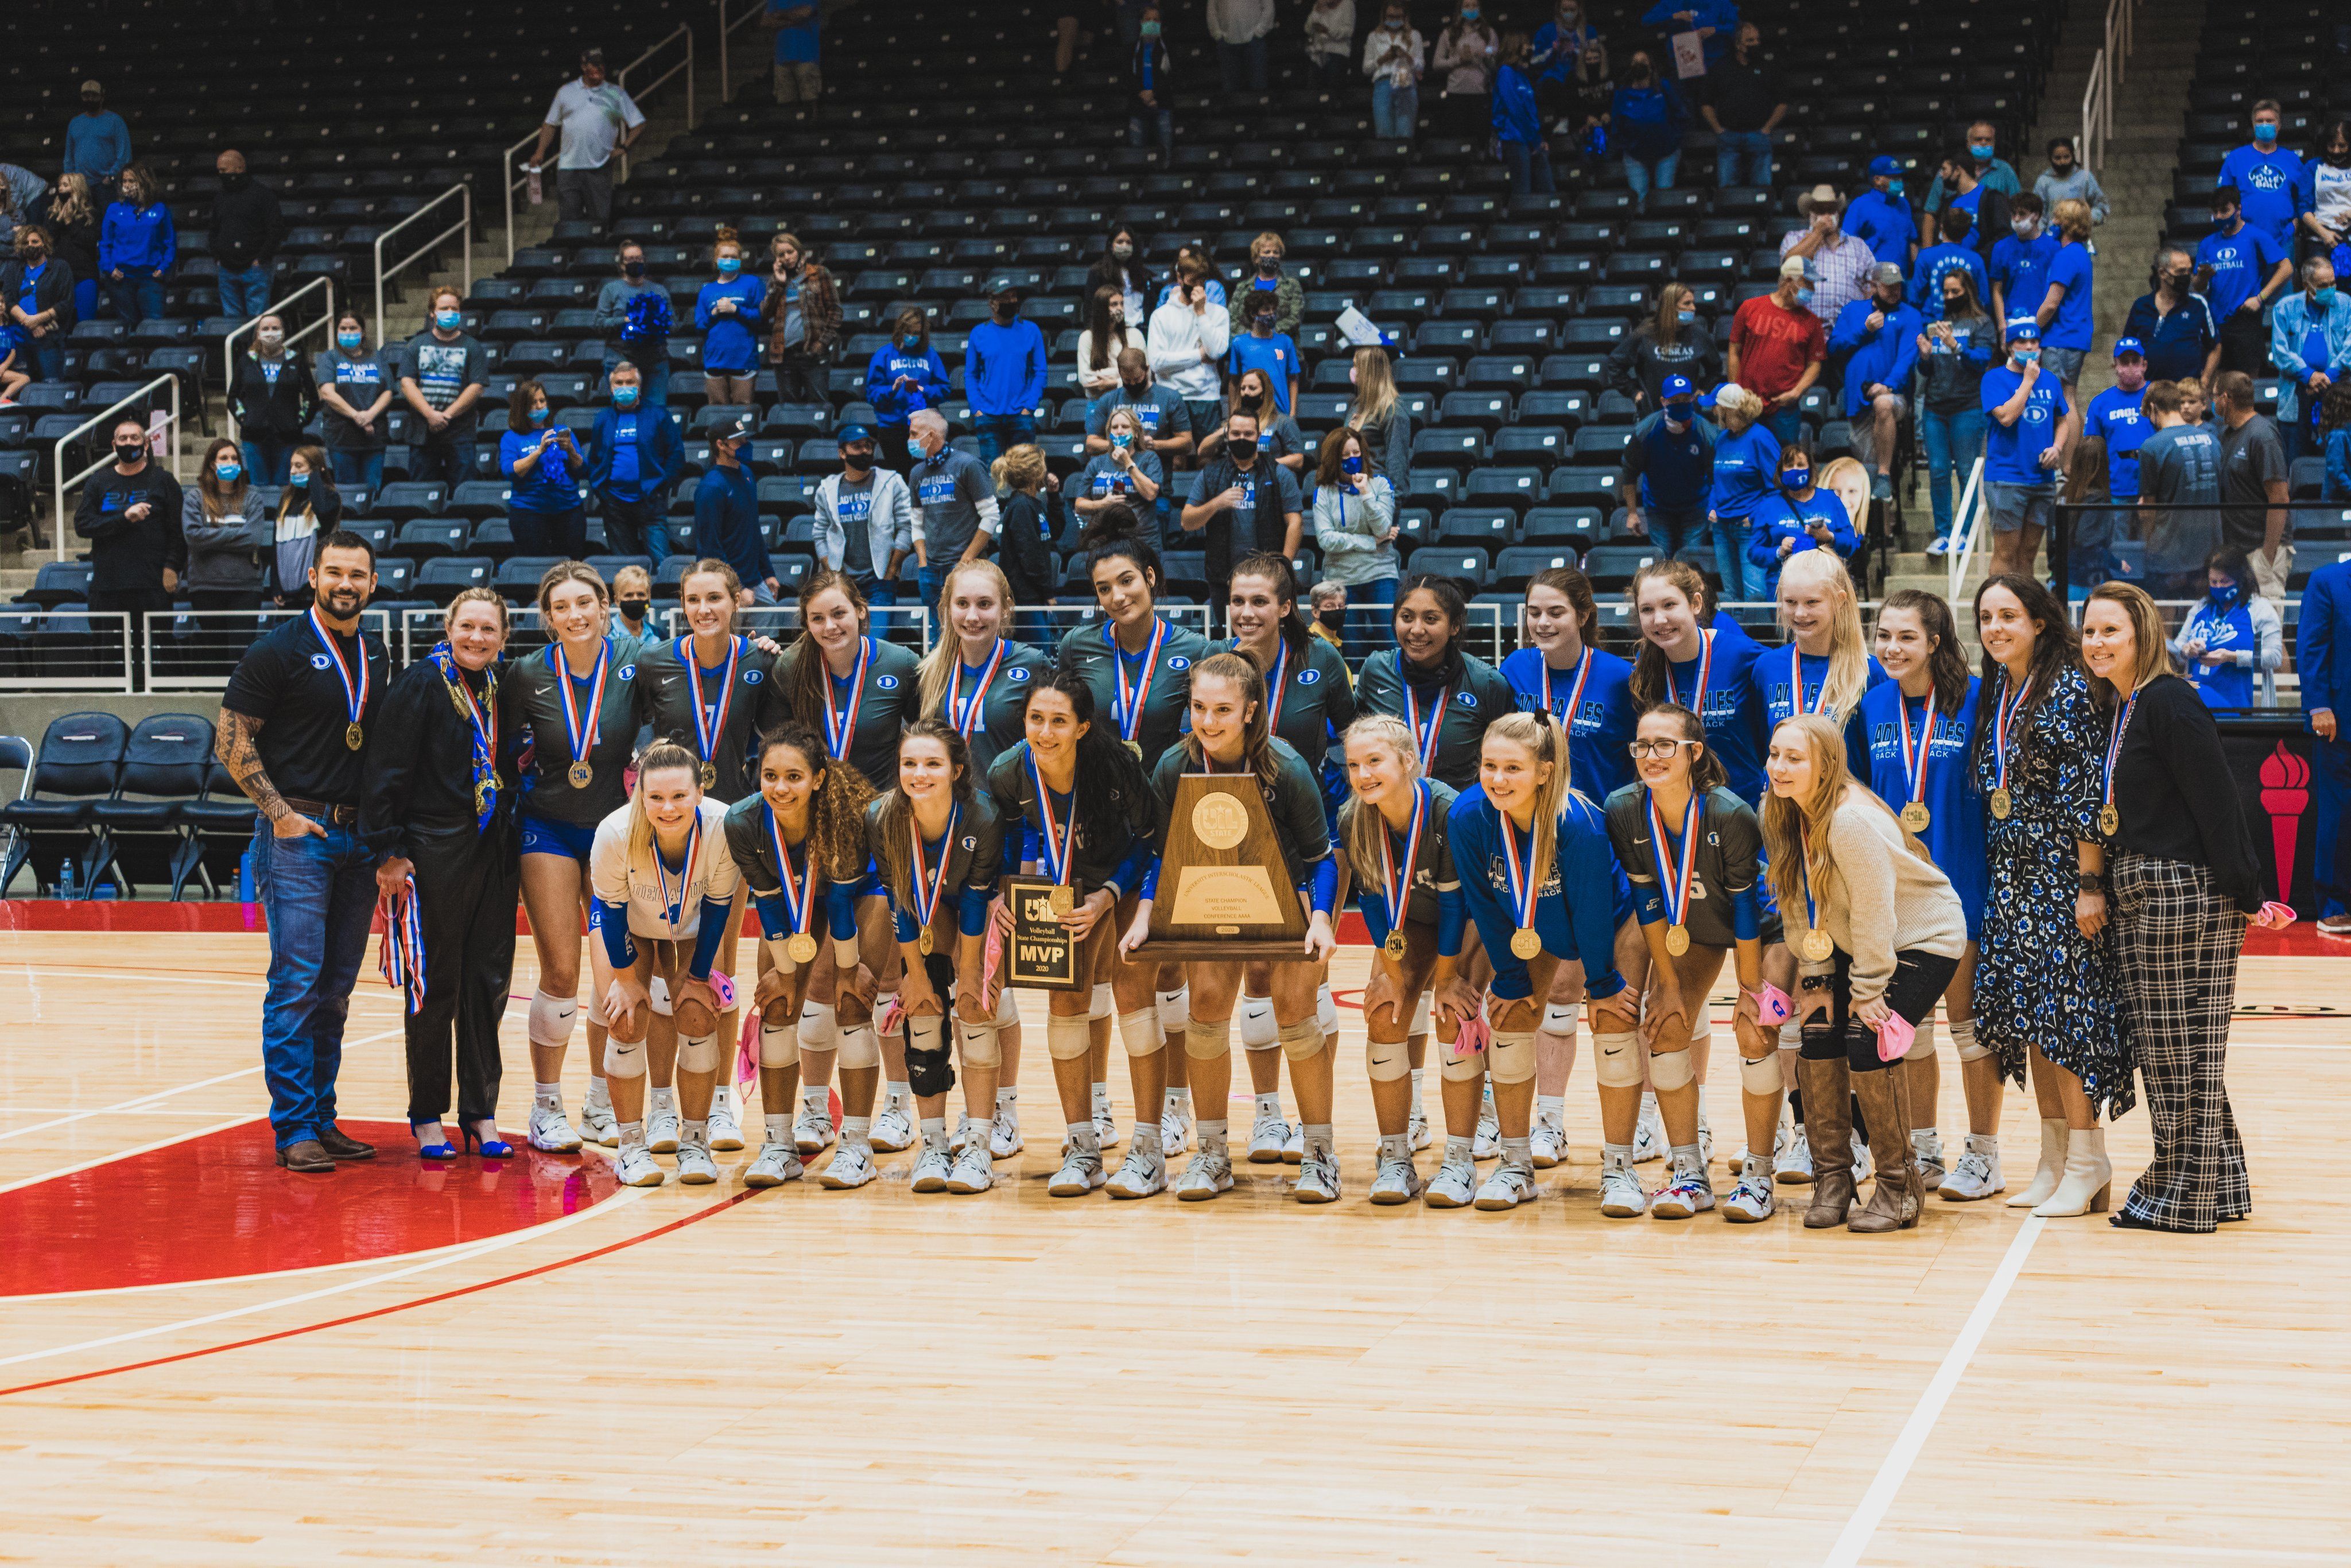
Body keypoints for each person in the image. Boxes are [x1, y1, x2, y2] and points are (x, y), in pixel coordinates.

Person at [2080, 582, 2272, 1231]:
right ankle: (2223, 1184)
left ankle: (2180, 1195)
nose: (2097, 641)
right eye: (2089, 631)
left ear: (2142, 633)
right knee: (2181, 1050)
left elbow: (2219, 801)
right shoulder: (2123, 706)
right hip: (2145, 888)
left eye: (2111, 629)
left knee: (2175, 1052)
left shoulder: (2169, 702)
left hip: (2182, 891)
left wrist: (2246, 890)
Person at [1116, 653, 1340, 1200]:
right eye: (1198, 707)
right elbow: (1161, 852)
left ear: (1250, 712)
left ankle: (1319, 1153)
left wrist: (1321, 919)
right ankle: (1213, 1154)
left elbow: (1322, 857)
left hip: (1286, 907)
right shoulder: (1174, 764)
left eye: (1222, 709)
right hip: (1210, 906)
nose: (1208, 721)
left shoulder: (1285, 766)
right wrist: (1145, 914)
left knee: (1294, 1014)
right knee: (1207, 1006)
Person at [215, 531, 389, 1173]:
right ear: (314, 575)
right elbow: (230, 741)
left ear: (373, 584)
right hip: (299, 834)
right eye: (336, 571)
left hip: (357, 838)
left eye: (358, 574)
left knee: (337, 988)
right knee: (296, 983)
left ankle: (321, 1115)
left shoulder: (375, 651)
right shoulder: (277, 649)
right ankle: (293, 1127)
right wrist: (279, 813)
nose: (346, 583)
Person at [1970, 572, 2135, 1217]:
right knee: (2034, 1022)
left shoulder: (2065, 686)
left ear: (2039, 621)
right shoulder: (2000, 688)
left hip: (2062, 880)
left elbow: (2087, 795)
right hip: (2012, 880)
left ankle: (2089, 1160)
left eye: (2008, 615)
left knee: (2067, 1022)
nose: (1995, 629)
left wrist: (2089, 884)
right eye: (1986, 617)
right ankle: (2054, 1157)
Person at [1762, 713, 1965, 1231]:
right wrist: (1813, 971)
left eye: (1795, 758)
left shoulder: (1849, 819)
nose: (1779, 768)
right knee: (1816, 1033)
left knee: (1865, 1037)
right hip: (1843, 942)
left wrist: (1869, 989)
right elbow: (1797, 904)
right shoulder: (1783, 808)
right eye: (1774, 754)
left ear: (1827, 765)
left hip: (1921, 937)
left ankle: (1899, 1188)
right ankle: (1833, 1178)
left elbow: (1878, 912)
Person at [1435, 712, 1637, 1209]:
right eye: (1489, 766)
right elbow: (1482, 904)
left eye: (1513, 769)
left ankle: (1619, 1169)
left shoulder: (1579, 824)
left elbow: (1591, 914)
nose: (1498, 780)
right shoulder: (1466, 816)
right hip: (1529, 925)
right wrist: (1508, 976)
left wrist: (1604, 981)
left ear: (1545, 772)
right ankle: (1516, 1164)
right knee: (1510, 1016)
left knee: (1611, 1022)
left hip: (1611, 921)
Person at [1598, 701, 1778, 1219]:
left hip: (1760, 932)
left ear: (1694, 752)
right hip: (1688, 929)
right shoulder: (1623, 807)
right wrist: (1669, 986)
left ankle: (1761, 1174)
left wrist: (1750, 990)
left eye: (1664, 745)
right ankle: (1689, 1174)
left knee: (1756, 1030)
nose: (1651, 756)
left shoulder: (1730, 813)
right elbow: (1651, 901)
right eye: (1642, 746)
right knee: (1669, 1024)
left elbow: (1746, 911)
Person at [988, 669, 1163, 1193]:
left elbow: (1151, 841)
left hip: (1122, 880)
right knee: (1066, 1004)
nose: (1045, 732)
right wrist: (1002, 891)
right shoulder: (1006, 772)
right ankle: (1083, 1148)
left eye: (1059, 721)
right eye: (1036, 719)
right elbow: (1006, 838)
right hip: (1062, 889)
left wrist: (1109, 895)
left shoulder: (1115, 766)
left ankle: (1149, 1149)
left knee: (1133, 997)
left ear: (1083, 727)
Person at [362, 588, 520, 1163]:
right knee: (435, 986)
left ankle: (480, 1110)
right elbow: (384, 769)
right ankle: (427, 1114)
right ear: (448, 626)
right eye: (468, 626)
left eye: (489, 629)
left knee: (487, 983)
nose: (478, 638)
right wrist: (390, 850)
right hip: (431, 847)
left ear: (504, 637)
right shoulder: (421, 683)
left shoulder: (499, 687)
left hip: (492, 850)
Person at [1853, 589, 2002, 1200]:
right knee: (1907, 1030)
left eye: (1906, 636)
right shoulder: (1872, 704)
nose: (1891, 647)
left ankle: (1984, 1156)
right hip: (1895, 893)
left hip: (1961, 883)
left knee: (1968, 1030)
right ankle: (1925, 1149)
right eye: (1883, 635)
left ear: (1935, 641)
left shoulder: (1977, 698)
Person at [502, 564, 654, 1152]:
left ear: (604, 605)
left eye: (584, 603)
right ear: (549, 617)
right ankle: (546, 1104)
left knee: (613, 974)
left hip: (616, 831)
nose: (575, 615)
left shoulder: (636, 660)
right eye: (561, 606)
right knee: (562, 971)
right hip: (549, 828)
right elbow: (503, 747)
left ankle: (598, 1100)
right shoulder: (527, 672)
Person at [723, 720, 874, 1185]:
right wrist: (787, 973)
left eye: (794, 777)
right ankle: (778, 1143)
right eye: (771, 776)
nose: (781, 788)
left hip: (860, 891)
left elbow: (843, 902)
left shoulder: (847, 814)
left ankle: (857, 1146)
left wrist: (849, 967)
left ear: (818, 778)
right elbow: (769, 901)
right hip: (792, 899)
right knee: (778, 1004)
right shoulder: (743, 822)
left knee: (851, 1000)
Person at [587, 742, 742, 1187]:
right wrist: (626, 980)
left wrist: (695, 980)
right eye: (655, 798)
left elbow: (717, 909)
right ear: (640, 796)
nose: (668, 807)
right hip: (627, 923)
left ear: (699, 793)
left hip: (694, 925)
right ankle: (632, 1146)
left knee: (697, 1012)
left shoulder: (722, 827)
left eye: (679, 796)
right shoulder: (614, 832)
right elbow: (611, 912)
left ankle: (695, 1141)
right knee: (626, 1016)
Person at [865, 720, 1010, 1193]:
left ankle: (979, 1148)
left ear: (957, 770)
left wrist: (970, 972)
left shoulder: (982, 816)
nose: (919, 774)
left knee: (974, 1006)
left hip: (977, 907)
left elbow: (974, 898)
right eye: (910, 764)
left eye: (932, 764)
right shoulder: (882, 817)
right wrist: (915, 975)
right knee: (922, 1008)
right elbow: (898, 897)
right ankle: (932, 1144)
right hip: (919, 912)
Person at [1336, 715, 1468, 1202]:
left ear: (1408, 761)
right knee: (1384, 1014)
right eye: (1354, 764)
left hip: (1470, 920)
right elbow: (1374, 902)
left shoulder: (1450, 812)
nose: (1363, 774)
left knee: (1456, 1015)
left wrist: (1449, 977)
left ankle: (1460, 1158)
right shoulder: (1354, 817)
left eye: (1375, 761)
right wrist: (1391, 976)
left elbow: (1457, 906)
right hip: (1405, 919)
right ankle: (1396, 1156)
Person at [1351, 573, 1519, 793]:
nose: (1417, 629)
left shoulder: (1486, 682)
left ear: (1455, 626)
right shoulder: (1376, 670)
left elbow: (1507, 759)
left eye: (1431, 619)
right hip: (1386, 815)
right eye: (1407, 617)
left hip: (1458, 817)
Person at [1630, 558, 1770, 799]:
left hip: (1743, 810)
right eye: (1647, 610)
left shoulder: (1743, 655)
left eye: (1669, 605)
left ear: (1695, 603)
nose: (1659, 620)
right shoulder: (1643, 668)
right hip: (1673, 811)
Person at [76, 417, 184, 673]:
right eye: (123, 439)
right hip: (109, 585)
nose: (129, 443)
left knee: (158, 652)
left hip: (152, 583)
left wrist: (172, 567)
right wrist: (124, 518)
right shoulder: (98, 481)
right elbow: (83, 525)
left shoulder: (164, 481)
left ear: (146, 444)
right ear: (114, 446)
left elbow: (178, 532)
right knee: (112, 657)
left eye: (135, 438)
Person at [1979, 317, 2073, 580]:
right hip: (2007, 478)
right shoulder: (1994, 379)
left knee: (2028, 554)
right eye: (2023, 342)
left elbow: (2063, 420)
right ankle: (1995, 608)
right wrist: (2028, 382)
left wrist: (2057, 447)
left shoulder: (2051, 380)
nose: (2030, 347)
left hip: (2042, 479)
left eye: (2035, 342)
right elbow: (2007, 417)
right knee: (2005, 554)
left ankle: (2023, 613)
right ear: (2010, 346)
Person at [1181, 408, 1303, 604]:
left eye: (1248, 434)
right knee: (1228, 633)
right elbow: (1187, 521)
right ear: (1227, 435)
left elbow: (1295, 523)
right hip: (1223, 576)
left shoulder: (1279, 473)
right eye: (1236, 434)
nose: (1242, 439)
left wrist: (1283, 568)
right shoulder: (1210, 474)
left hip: (1268, 576)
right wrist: (1216, 504)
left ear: (1259, 436)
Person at [1915, 269, 1996, 556]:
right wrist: (1925, 356)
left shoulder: (1981, 323)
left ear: (1968, 291)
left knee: (1965, 471)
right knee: (1937, 471)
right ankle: (1943, 533)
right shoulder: (1938, 324)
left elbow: (1982, 362)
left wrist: (1956, 345)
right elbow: (1927, 369)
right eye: (1946, 292)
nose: (1950, 297)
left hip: (1967, 406)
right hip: (1935, 406)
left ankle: (1964, 534)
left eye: (1955, 292)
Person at [1831, 262, 1922, 502]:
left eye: (1898, 287)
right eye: (1888, 286)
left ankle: (1884, 475)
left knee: (1883, 404)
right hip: (1857, 398)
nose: (1894, 292)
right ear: (1873, 285)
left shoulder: (1910, 315)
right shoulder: (1853, 311)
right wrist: (1864, 329)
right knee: (1865, 468)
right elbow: (1834, 348)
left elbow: (1908, 356)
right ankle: (1880, 528)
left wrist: (1889, 384)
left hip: (1894, 395)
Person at [2296, 538, 2351, 933]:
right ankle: (2331, 902)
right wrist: (2318, 705)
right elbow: (2311, 646)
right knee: (2336, 816)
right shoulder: (2327, 581)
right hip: (2339, 723)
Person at [526, 49, 645, 228]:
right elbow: (550, 124)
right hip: (568, 167)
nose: (599, 68)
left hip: (599, 166)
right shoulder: (566, 92)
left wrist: (623, 148)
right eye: (594, 64)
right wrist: (540, 152)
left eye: (601, 64)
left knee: (599, 222)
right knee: (570, 224)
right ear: (583, 67)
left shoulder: (616, 93)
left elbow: (639, 124)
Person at [1310, 426, 1400, 657]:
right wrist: (1371, 542)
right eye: (1345, 456)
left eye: (1356, 453)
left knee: (1392, 644)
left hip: (1380, 574)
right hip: (1341, 580)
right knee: (1352, 650)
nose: (1353, 459)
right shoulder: (1323, 492)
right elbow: (1326, 539)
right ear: (1334, 459)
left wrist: (1366, 494)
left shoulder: (1380, 485)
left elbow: (1383, 527)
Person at [180, 439, 268, 672]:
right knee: (214, 655)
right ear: (212, 464)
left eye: (234, 459)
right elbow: (193, 537)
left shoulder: (253, 498)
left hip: (245, 587)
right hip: (206, 586)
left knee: (241, 656)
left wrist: (213, 536)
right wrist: (235, 534)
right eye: (224, 458)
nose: (230, 463)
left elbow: (253, 539)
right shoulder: (195, 498)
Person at [2135, 379, 2226, 599]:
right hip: (2209, 549)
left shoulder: (2152, 446)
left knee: (2165, 620)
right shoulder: (2213, 441)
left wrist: (2149, 545)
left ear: (2154, 408)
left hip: (2168, 553)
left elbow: (2149, 508)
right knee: (2200, 617)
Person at [907, 407, 998, 624]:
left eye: (913, 434)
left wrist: (966, 560)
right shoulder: (916, 473)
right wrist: (922, 561)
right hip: (930, 568)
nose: (909, 440)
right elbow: (917, 523)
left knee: (966, 628)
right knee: (937, 632)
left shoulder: (968, 465)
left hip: (964, 566)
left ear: (930, 436)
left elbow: (991, 515)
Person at [1727, 255, 1827, 444]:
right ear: (1790, 281)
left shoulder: (1812, 323)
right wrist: (1735, 390)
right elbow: (1734, 351)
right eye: (1808, 284)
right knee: (1745, 455)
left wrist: (1797, 392)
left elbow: (1815, 365)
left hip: (1784, 407)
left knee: (1785, 462)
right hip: (1746, 402)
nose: (1812, 290)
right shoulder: (1750, 308)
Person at [588, 363, 681, 563]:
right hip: (614, 503)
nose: (624, 387)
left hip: (650, 499)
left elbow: (675, 454)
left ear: (639, 386)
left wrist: (661, 487)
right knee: (625, 567)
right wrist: (602, 491)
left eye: (629, 382)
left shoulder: (658, 415)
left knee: (661, 559)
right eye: (619, 383)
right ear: (611, 388)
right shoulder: (603, 419)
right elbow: (595, 458)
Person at [398, 288, 489, 490]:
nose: (449, 312)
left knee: (463, 493)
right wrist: (430, 415)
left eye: (454, 308)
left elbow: (477, 387)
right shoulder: (416, 345)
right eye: (443, 308)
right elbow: (407, 384)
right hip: (423, 432)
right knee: (421, 494)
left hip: (461, 433)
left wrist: (446, 416)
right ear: (432, 312)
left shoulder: (472, 346)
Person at [2198, 184, 2293, 377]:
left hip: (2245, 319)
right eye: (2215, 212)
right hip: (2216, 320)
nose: (2219, 217)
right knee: (2217, 384)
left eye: (2225, 211)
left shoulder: (2256, 236)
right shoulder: (2207, 244)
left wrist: (2260, 298)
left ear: (2238, 209)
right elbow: (2198, 287)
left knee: (2247, 382)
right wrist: (2203, 277)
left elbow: (2287, 268)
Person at [2213, 370, 2292, 601]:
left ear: (2226, 399)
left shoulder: (2262, 436)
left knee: (2269, 626)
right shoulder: (2226, 435)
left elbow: (2279, 498)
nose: (2213, 402)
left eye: (2215, 396)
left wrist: (2268, 555)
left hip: (2262, 549)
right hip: (2237, 550)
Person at [814, 422, 912, 605]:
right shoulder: (827, 489)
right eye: (857, 447)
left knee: (879, 634)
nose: (865, 451)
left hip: (880, 581)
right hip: (843, 583)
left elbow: (907, 527)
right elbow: (820, 535)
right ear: (842, 453)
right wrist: (832, 572)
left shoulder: (892, 482)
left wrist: (892, 570)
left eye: (868, 446)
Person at [1617, 373, 1714, 558]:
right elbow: (1629, 473)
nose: (1681, 403)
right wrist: (1631, 513)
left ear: (1693, 399)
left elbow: (1716, 476)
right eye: (1675, 400)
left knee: (1690, 562)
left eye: (1686, 399)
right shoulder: (1646, 431)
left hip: (1696, 507)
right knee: (1662, 562)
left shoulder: (1706, 432)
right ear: (1663, 401)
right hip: (1658, 507)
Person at [2171, 546, 2280, 708]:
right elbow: (2178, 649)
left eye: (2225, 582)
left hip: (2243, 707)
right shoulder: (2200, 608)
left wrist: (2232, 657)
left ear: (2240, 579)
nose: (2219, 587)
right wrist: (2187, 650)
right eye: (2214, 582)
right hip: (2198, 706)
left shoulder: (2260, 609)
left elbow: (2274, 657)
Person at [2268, 257, 2351, 464]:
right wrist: (2309, 376)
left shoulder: (2346, 303)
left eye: (2333, 283)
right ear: (2307, 286)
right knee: (2295, 457)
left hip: (2338, 388)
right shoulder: (2285, 308)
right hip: (2297, 389)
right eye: (2324, 286)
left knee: (2338, 456)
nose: (2331, 289)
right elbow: (2280, 352)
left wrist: (2327, 376)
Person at [1746, 445, 1858, 594]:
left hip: (1826, 580)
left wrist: (1829, 537)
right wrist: (1780, 551)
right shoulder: (1768, 505)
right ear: (1781, 470)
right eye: (1789, 465)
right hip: (1783, 584)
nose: (1795, 470)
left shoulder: (1830, 499)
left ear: (1810, 469)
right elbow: (1754, 552)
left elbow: (1851, 543)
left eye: (1800, 465)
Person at [1700, 382, 1776, 600]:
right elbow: (1717, 480)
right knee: (1732, 595)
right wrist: (1712, 507)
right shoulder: (1723, 438)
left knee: (1756, 595)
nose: (1713, 412)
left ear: (1727, 411)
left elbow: (1776, 487)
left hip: (1749, 528)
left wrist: (1754, 517)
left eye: (1716, 408)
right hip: (1722, 526)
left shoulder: (1761, 438)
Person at [695, 414, 779, 604]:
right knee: (731, 634)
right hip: (727, 584)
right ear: (721, 445)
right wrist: (736, 588)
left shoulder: (747, 474)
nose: (745, 443)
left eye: (745, 438)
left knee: (770, 627)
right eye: (738, 440)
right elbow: (710, 547)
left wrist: (768, 573)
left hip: (754, 579)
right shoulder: (711, 487)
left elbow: (753, 528)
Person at [1148, 260, 1231, 451]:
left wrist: (1201, 313)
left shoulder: (1219, 313)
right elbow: (1158, 363)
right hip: (1171, 395)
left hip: (1206, 397)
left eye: (1202, 282)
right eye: (1192, 281)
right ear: (1179, 278)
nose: (1197, 287)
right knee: (1177, 459)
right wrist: (1198, 355)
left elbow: (1217, 351)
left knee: (1208, 457)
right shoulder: (1161, 316)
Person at [500, 381, 587, 558]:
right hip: (529, 513)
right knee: (534, 567)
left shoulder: (562, 431)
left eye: (542, 401)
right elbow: (511, 471)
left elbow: (582, 471)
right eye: (533, 402)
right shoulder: (512, 438)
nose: (539, 406)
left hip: (568, 510)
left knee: (570, 566)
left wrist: (570, 450)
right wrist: (539, 451)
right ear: (523, 407)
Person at [227, 313, 317, 486]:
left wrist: (299, 421)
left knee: (285, 488)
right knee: (259, 490)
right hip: (254, 438)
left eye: (275, 328)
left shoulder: (296, 360)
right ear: (258, 334)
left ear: (283, 333)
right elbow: (233, 397)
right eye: (265, 329)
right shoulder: (246, 361)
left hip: (289, 437)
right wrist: (245, 420)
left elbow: (311, 398)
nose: (270, 332)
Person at [968, 276, 1048, 464]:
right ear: (992, 303)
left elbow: (1040, 372)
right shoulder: (978, 333)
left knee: (1024, 474)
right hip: (988, 416)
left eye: (1014, 296)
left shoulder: (1031, 330)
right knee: (993, 477)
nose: (1012, 301)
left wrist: (1030, 406)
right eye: (1005, 297)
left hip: (1021, 416)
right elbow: (971, 374)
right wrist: (977, 408)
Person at [1607, 283, 1722, 412]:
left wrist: (1704, 390)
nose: (1693, 308)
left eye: (1693, 303)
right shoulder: (1645, 334)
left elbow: (1716, 369)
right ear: (1670, 308)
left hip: (1689, 414)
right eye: (1687, 304)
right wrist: (1634, 393)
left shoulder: (1699, 334)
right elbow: (1615, 364)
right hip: (1653, 413)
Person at [866, 308, 949, 479]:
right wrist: (893, 389)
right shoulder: (884, 355)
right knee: (900, 478)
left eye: (917, 333)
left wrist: (925, 390)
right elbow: (872, 393)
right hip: (893, 427)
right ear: (900, 331)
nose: (912, 336)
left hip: (925, 427)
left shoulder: (930, 355)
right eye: (908, 332)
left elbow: (944, 389)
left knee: (927, 476)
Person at [1700, 23, 1784, 190]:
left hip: (1759, 135)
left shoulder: (1768, 67)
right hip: (1729, 136)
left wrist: (1767, 128)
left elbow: (1783, 102)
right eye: (1750, 41)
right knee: (1727, 190)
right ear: (1738, 45)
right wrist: (1718, 129)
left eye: (1757, 40)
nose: (1756, 44)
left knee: (1762, 189)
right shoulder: (1721, 68)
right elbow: (1705, 103)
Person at [316, 312, 392, 496]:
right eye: (343, 328)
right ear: (336, 332)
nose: (348, 332)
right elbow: (327, 392)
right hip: (342, 437)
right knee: (346, 493)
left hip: (374, 438)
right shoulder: (329, 358)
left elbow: (388, 392)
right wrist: (357, 416)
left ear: (363, 332)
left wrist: (369, 416)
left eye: (353, 328)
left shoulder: (377, 357)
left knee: (373, 491)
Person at [761, 231, 840, 407]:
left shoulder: (819, 274)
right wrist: (779, 284)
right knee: (788, 408)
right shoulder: (775, 281)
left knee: (818, 405)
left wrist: (822, 344)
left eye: (790, 251)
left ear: (799, 251)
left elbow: (835, 312)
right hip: (784, 355)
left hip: (813, 353)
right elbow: (765, 314)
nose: (787, 257)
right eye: (781, 255)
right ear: (777, 259)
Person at [1782, 185, 1879, 327]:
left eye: (1831, 210)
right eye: (1820, 211)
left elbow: (1873, 286)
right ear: (1811, 214)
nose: (1827, 216)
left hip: (1847, 329)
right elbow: (1790, 263)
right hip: (1803, 327)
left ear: (1838, 213)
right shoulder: (1794, 238)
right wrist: (1818, 231)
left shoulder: (1858, 246)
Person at [2032, 199, 2098, 407]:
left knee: (2059, 401)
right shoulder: (2080, 254)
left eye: (2057, 218)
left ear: (2067, 224)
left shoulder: (2066, 257)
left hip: (2061, 338)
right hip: (2073, 336)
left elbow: (2051, 304)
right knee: (2069, 397)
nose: (2052, 222)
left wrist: (2031, 329)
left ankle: (2063, 443)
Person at [1918, 121, 2022, 251]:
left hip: (1989, 248)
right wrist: (1928, 252)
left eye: (1988, 140)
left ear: (1994, 143)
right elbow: (1930, 213)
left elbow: (2019, 208)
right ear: (1968, 143)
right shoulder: (1948, 173)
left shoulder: (2005, 170)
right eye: (1978, 139)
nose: (1984, 143)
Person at [2124, 249, 2221, 386]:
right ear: (2163, 274)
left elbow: (2215, 347)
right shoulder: (2141, 306)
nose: (2187, 276)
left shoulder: (2198, 305)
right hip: (2150, 390)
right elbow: (2128, 348)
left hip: (2186, 393)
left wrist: (2205, 380)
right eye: (2181, 272)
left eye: (2189, 271)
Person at [1073, 406, 1167, 548]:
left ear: (1135, 433)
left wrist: (1128, 463)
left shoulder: (1149, 458)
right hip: (1104, 540)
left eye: (1125, 427)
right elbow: (1080, 505)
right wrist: (1102, 504)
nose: (1119, 431)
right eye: (1115, 427)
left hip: (1141, 541)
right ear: (1109, 433)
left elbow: (1151, 494)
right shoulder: (1096, 463)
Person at [596, 239, 673, 408]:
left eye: (638, 259)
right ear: (622, 264)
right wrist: (627, 320)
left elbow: (672, 324)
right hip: (620, 359)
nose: (635, 263)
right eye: (630, 260)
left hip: (655, 360)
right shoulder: (611, 290)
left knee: (656, 411)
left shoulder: (659, 291)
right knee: (624, 409)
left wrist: (655, 321)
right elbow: (600, 323)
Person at [210, 150, 284, 321]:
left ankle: (255, 349)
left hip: (255, 268)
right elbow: (213, 229)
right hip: (227, 269)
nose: (220, 175)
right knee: (231, 322)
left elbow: (276, 229)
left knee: (258, 321)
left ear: (239, 168)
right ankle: (237, 350)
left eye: (223, 170)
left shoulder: (263, 195)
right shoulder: (220, 197)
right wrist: (218, 257)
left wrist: (262, 258)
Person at [988, 444, 1063, 610]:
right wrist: (1048, 593)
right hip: (1025, 599)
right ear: (1036, 473)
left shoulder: (1031, 503)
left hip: (1034, 595)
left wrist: (1054, 495)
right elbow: (1031, 556)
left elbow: (1054, 533)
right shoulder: (1021, 506)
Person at [98, 163, 173, 327]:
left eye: (132, 181)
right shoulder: (114, 209)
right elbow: (105, 244)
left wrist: (163, 267)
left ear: (144, 182)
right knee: (128, 329)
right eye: (124, 181)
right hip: (121, 280)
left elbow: (170, 242)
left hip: (150, 278)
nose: (127, 185)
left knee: (154, 328)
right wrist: (110, 268)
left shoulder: (160, 209)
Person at [1607, 48, 1686, 204]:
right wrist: (1628, 144)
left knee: (1664, 198)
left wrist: (1673, 137)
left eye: (1643, 63)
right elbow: (1616, 124)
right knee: (1639, 199)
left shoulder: (1663, 87)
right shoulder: (1623, 93)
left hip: (1666, 152)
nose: (1639, 66)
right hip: (1635, 155)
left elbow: (1680, 115)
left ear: (1651, 66)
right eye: (1635, 63)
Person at [695, 230, 763, 407]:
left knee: (742, 412)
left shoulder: (753, 283)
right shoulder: (707, 291)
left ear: (740, 260)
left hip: (744, 359)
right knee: (717, 413)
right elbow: (700, 326)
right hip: (715, 360)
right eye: (725, 256)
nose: (729, 260)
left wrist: (736, 310)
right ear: (716, 260)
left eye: (734, 256)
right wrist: (715, 313)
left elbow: (761, 318)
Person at [2086, 338, 2154, 516]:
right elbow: (2092, 450)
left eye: (2135, 361)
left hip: (2152, 490)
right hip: (2116, 490)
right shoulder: (2100, 403)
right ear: (2115, 365)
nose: (2130, 367)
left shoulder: (2157, 396)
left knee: (2152, 543)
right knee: (2117, 543)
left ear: (2144, 365)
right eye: (2124, 362)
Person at [1, 223, 73, 387]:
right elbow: (9, 299)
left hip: (48, 336)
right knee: (23, 387)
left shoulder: (60, 268)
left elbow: (65, 303)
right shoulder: (14, 269)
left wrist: (39, 320)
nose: (30, 246)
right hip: (19, 338)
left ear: (44, 243)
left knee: (51, 384)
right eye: (26, 243)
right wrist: (30, 323)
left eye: (35, 242)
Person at [270, 447, 342, 609]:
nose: (293, 471)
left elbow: (322, 510)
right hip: (287, 592)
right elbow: (276, 546)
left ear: (317, 469)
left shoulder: (330, 497)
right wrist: (275, 586)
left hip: (314, 593)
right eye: (292, 466)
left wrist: (316, 475)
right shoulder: (286, 501)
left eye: (299, 466)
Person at [1489, 34, 1555, 197]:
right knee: (1523, 191)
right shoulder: (1506, 72)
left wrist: (1538, 139)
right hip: (1515, 139)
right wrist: (1533, 140)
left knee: (1547, 189)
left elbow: (1530, 112)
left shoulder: (1523, 75)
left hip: (1531, 138)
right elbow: (1514, 109)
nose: (1530, 49)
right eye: (1526, 45)